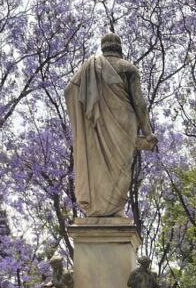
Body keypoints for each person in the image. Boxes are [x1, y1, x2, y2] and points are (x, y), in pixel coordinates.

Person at [64, 32, 158, 217]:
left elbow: (69, 91)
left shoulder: (89, 69)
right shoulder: (128, 68)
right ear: (119, 47)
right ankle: (116, 209)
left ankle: (101, 209)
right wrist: (148, 133)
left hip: (96, 125)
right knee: (121, 168)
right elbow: (139, 103)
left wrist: (83, 119)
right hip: (124, 126)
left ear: (103, 46)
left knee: (98, 165)